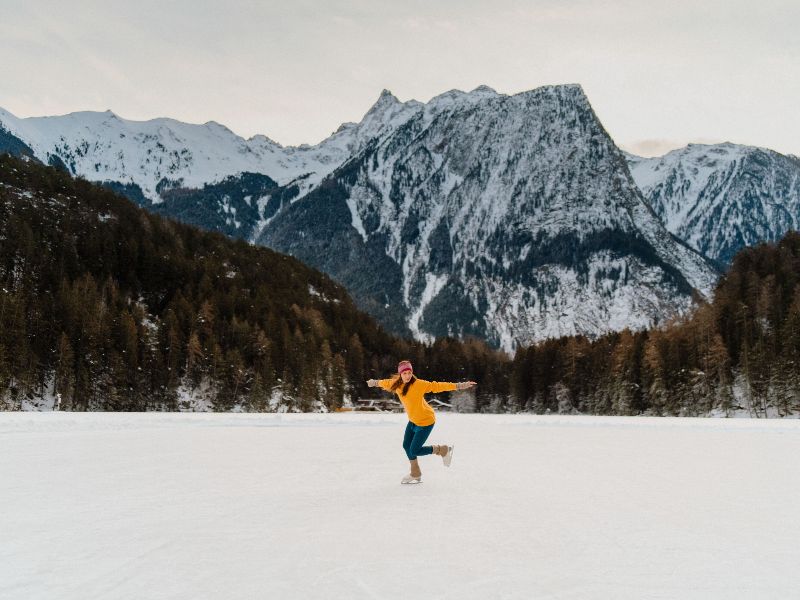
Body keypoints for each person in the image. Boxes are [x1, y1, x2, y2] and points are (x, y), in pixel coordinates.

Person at [367, 360, 477, 484]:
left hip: (426, 421)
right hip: (413, 421)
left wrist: (459, 385)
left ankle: (443, 450)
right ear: (400, 374)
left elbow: (437, 386)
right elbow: (385, 383)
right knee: (406, 446)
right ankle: (415, 473)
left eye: (409, 373)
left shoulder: (418, 384)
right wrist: (374, 382)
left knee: (414, 450)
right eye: (405, 373)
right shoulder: (396, 384)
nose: (407, 376)